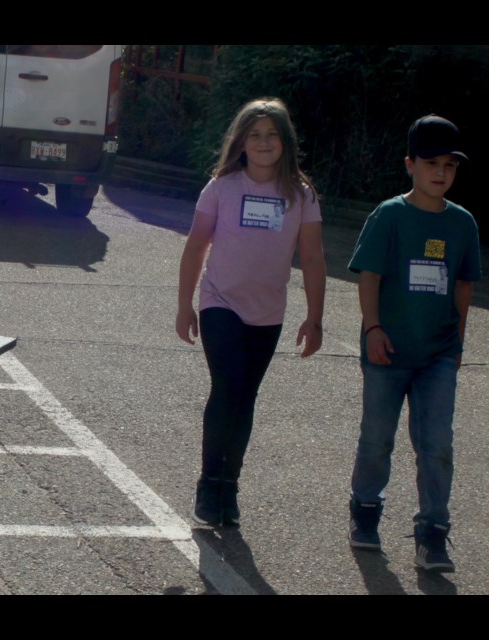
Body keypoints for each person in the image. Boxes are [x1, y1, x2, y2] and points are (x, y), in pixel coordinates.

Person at [175, 97, 326, 527]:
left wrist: (315, 318)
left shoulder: (301, 195)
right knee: (226, 389)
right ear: (240, 142)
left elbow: (313, 258)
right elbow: (195, 246)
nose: (263, 142)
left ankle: (229, 488)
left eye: (272, 135)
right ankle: (209, 485)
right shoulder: (221, 187)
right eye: (254, 134)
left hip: (268, 313)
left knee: (245, 398)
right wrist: (185, 305)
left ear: (286, 142)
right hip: (220, 302)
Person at [347, 115, 481, 572]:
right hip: (387, 352)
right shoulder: (389, 215)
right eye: (430, 163)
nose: (440, 172)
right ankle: (365, 514)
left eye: (449, 165)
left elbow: (463, 285)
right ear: (410, 164)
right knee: (376, 440)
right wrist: (373, 328)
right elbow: (369, 275)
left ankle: (433, 534)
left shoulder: (463, 224)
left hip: (438, 355)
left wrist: (458, 344)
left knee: (436, 444)